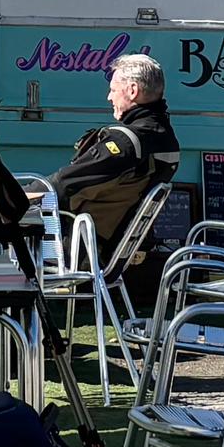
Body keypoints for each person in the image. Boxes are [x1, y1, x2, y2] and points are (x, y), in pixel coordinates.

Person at [49, 51, 182, 304]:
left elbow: (61, 185)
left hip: (80, 252)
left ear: (132, 90)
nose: (109, 97)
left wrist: (14, 195)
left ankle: (12, 334)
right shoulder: (167, 140)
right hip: (114, 255)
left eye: (113, 89)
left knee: (1, 231)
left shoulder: (126, 144)